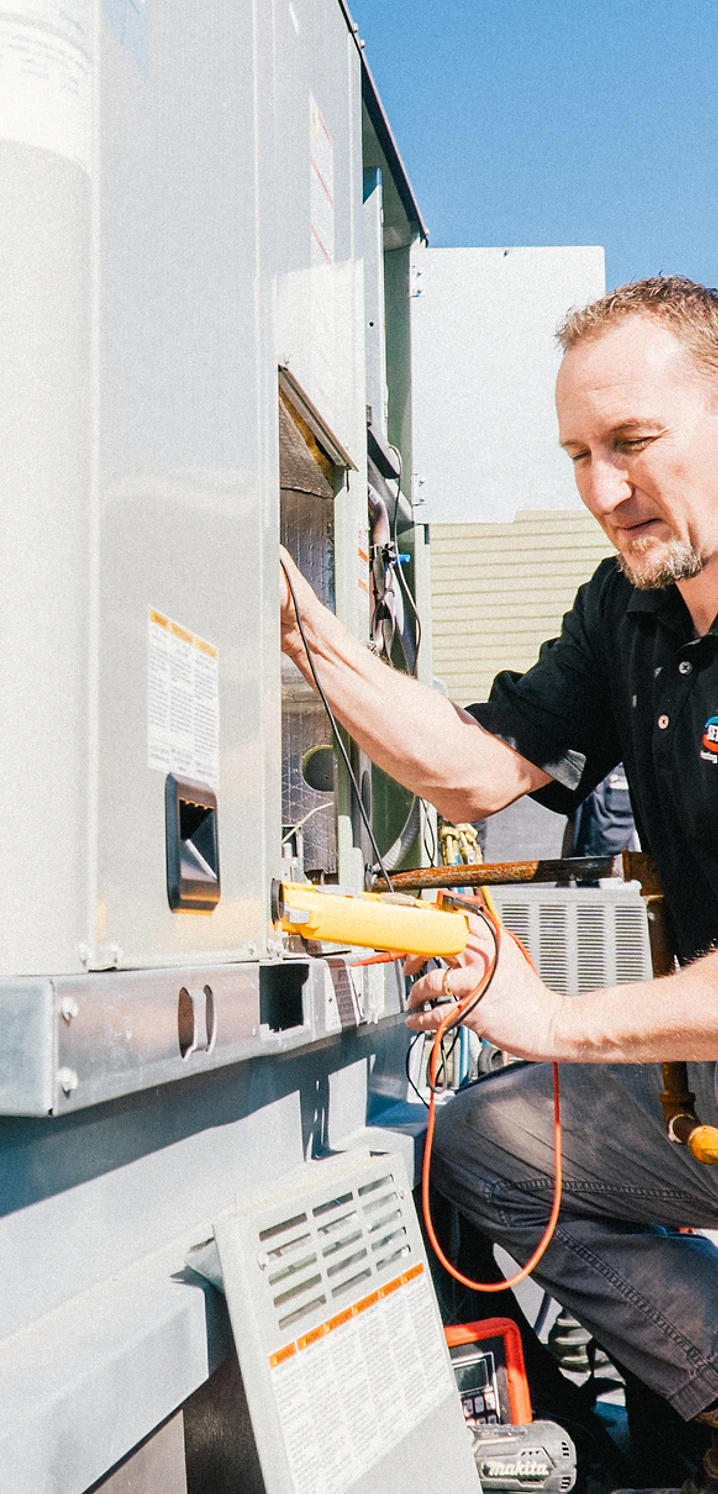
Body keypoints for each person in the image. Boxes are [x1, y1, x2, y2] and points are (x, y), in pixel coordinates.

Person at [279, 276, 718, 1494]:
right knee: (484, 1141)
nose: (602, 489)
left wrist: (556, 1018)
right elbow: (479, 771)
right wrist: (306, 634)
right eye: (578, 452)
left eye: (634, 442)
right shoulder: (632, 608)